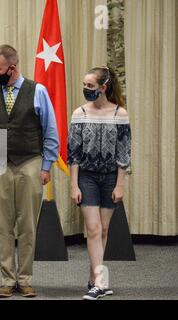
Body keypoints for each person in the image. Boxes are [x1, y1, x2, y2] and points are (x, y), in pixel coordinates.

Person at [0, 45, 59, 298]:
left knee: (27, 225)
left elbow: (50, 132)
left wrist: (46, 167)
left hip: (30, 162)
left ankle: (25, 279)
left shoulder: (38, 91)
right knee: (2, 225)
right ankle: (6, 279)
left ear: (12, 67)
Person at [68, 66, 131, 300]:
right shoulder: (80, 113)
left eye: (91, 86)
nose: (86, 89)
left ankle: (94, 280)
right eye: (85, 85)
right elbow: (73, 153)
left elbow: (124, 153)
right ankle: (100, 282)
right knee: (93, 229)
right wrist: (74, 185)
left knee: (103, 230)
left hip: (110, 179)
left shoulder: (120, 114)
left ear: (103, 87)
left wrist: (120, 184)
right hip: (87, 177)